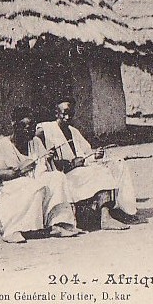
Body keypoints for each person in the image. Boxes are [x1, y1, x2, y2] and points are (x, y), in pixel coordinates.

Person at [0, 106, 80, 243]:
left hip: (34, 180)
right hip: (10, 187)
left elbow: (42, 170)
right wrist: (16, 172)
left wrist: (44, 161)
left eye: (33, 127)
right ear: (15, 125)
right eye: (27, 127)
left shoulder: (35, 142)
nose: (31, 131)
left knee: (57, 177)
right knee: (32, 185)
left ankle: (58, 223)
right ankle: (22, 230)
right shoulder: (0, 146)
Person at [36, 98, 137, 230]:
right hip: (63, 174)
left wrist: (95, 155)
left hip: (78, 171)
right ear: (56, 113)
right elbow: (41, 156)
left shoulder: (73, 131)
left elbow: (86, 153)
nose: (68, 117)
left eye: (71, 114)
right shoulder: (46, 129)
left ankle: (120, 210)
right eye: (64, 113)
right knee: (99, 173)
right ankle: (105, 218)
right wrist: (71, 164)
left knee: (114, 165)